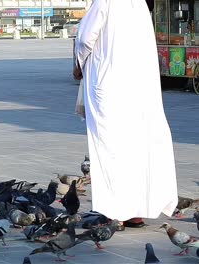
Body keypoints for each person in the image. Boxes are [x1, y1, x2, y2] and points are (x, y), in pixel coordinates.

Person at [73, 0, 178, 228]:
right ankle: (136, 211)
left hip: (110, 85)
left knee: (110, 147)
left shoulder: (105, 1)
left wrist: (78, 65)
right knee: (138, 145)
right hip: (139, 88)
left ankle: (114, 212)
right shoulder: (139, 4)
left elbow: (84, 38)